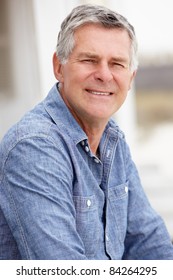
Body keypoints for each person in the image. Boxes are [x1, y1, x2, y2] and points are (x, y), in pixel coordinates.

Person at [0, 4, 173, 260]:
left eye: (117, 64)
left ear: (131, 77)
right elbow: (65, 271)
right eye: (89, 60)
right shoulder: (34, 146)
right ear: (59, 66)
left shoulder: (113, 139)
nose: (104, 74)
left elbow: (149, 242)